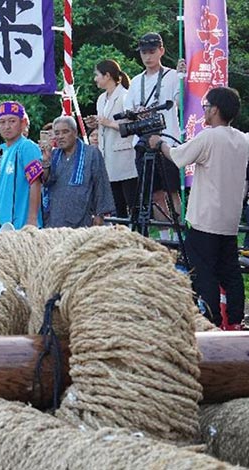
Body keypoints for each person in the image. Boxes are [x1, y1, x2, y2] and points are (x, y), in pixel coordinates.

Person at [148, 87, 249, 330]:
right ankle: (235, 321)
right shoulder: (242, 139)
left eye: (206, 106)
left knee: (204, 274)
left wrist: (157, 142)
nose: (204, 110)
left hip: (205, 220)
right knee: (230, 272)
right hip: (229, 220)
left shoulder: (209, 136)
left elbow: (178, 156)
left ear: (214, 109)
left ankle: (210, 322)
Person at [124, 32, 187, 238]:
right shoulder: (135, 81)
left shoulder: (171, 76)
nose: (147, 57)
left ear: (161, 51)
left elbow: (182, 103)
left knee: (172, 191)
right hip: (143, 142)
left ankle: (178, 237)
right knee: (154, 194)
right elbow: (128, 114)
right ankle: (165, 238)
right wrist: (140, 114)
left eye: (152, 52)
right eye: (144, 53)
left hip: (166, 140)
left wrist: (183, 78)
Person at [40, 116, 115, 228]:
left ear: (75, 133)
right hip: (55, 215)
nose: (60, 136)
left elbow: (101, 183)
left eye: (65, 132)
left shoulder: (91, 153)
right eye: (57, 133)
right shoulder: (54, 155)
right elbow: (45, 181)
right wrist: (45, 160)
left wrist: (100, 214)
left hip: (83, 215)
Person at [90, 60, 138, 219]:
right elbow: (103, 124)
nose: (95, 79)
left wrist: (108, 123)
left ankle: (138, 234)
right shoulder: (101, 99)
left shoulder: (125, 96)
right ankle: (122, 233)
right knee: (117, 203)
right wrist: (96, 123)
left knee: (132, 201)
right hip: (108, 156)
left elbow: (133, 125)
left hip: (124, 155)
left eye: (97, 75)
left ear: (107, 75)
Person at [0, 101, 43, 230]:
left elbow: (36, 182)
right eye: (2, 122)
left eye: (12, 121)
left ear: (23, 123)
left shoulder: (27, 147)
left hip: (21, 226)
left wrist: (32, 220)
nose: (7, 126)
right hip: (2, 226)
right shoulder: (2, 150)